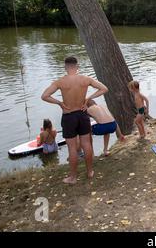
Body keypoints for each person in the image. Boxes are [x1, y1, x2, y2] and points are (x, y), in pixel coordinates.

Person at [41, 56, 109, 185]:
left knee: (72, 148)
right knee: (86, 144)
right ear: (77, 67)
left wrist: (59, 103)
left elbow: (44, 96)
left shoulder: (60, 82)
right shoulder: (86, 79)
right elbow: (104, 88)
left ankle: (73, 177)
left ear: (66, 67)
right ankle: (90, 172)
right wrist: (88, 98)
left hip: (69, 115)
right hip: (83, 114)